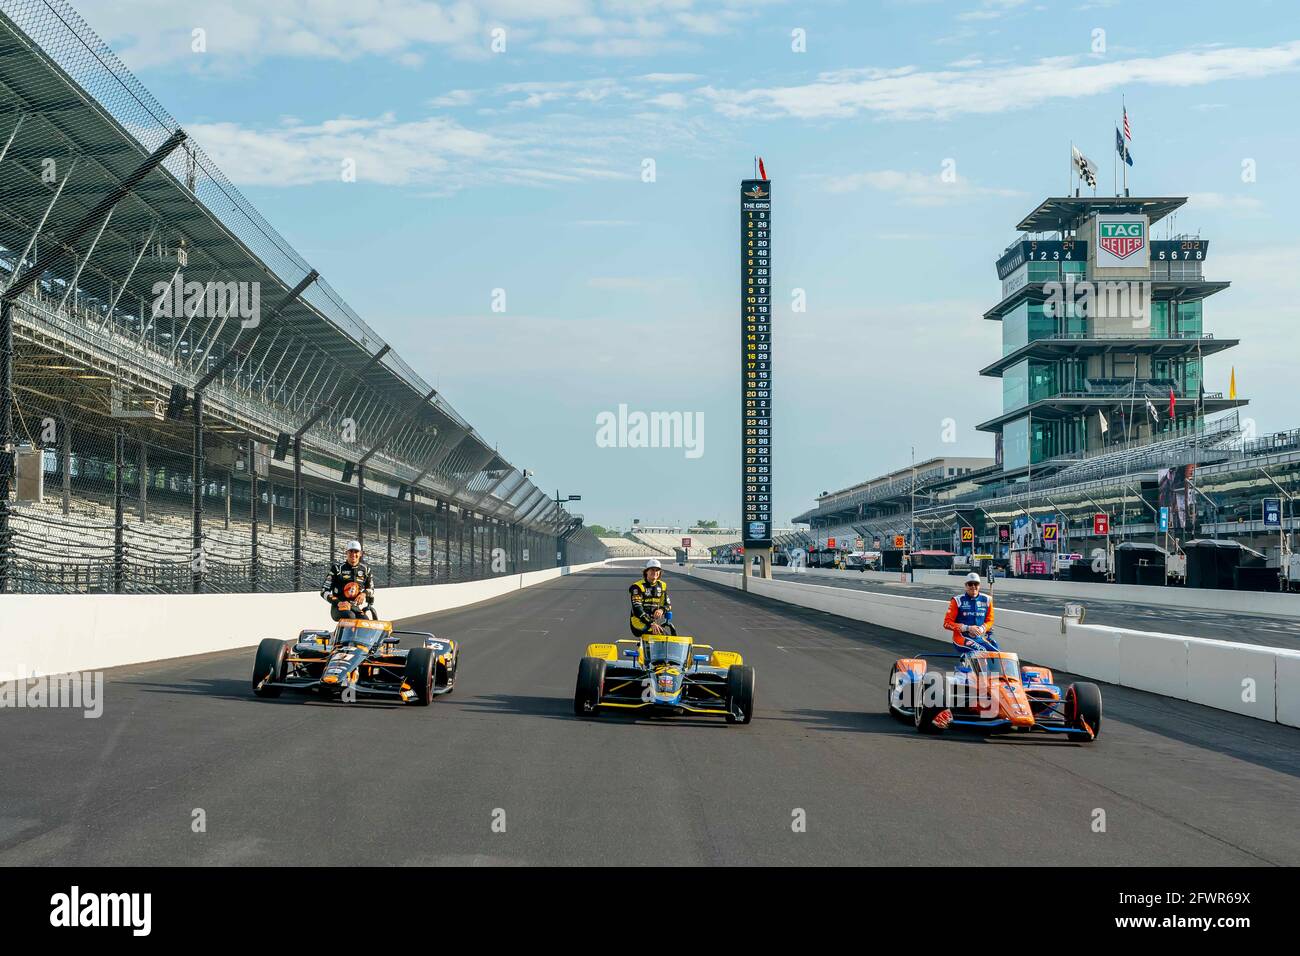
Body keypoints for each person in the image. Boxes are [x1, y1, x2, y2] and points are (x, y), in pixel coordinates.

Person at [943, 571, 998, 652]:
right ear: (965, 586)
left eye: (976, 584)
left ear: (979, 586)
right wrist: (968, 628)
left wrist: (982, 628)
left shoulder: (987, 599)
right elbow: (947, 623)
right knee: (981, 651)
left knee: (997, 653)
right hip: (960, 638)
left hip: (978, 638)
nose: (973, 586)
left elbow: (990, 620)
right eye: (970, 584)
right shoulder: (957, 600)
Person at [322, 540, 375, 622]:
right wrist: (339, 602)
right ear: (346, 553)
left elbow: (371, 589)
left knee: (365, 621)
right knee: (350, 616)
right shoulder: (337, 569)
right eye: (350, 551)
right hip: (338, 607)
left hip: (355, 607)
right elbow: (324, 591)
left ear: (360, 553)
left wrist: (364, 594)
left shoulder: (366, 570)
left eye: (356, 551)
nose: (353, 554)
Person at [629, 558, 674, 637]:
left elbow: (668, 605)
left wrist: (661, 610)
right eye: (652, 570)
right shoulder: (637, 587)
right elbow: (637, 609)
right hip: (638, 623)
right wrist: (651, 623)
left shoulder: (662, 585)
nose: (655, 572)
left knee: (672, 636)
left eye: (657, 570)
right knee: (664, 637)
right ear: (646, 571)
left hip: (652, 624)